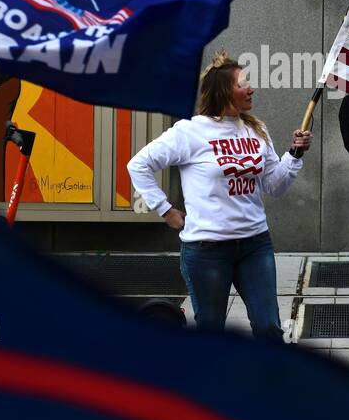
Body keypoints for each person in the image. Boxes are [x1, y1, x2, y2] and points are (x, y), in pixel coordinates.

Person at [127, 52, 312, 340]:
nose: (251, 89)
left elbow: (275, 186)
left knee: (268, 329)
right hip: (206, 250)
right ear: (224, 91)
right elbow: (138, 165)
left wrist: (295, 153)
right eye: (243, 84)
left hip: (255, 245)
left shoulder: (256, 128)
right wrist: (166, 210)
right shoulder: (190, 131)